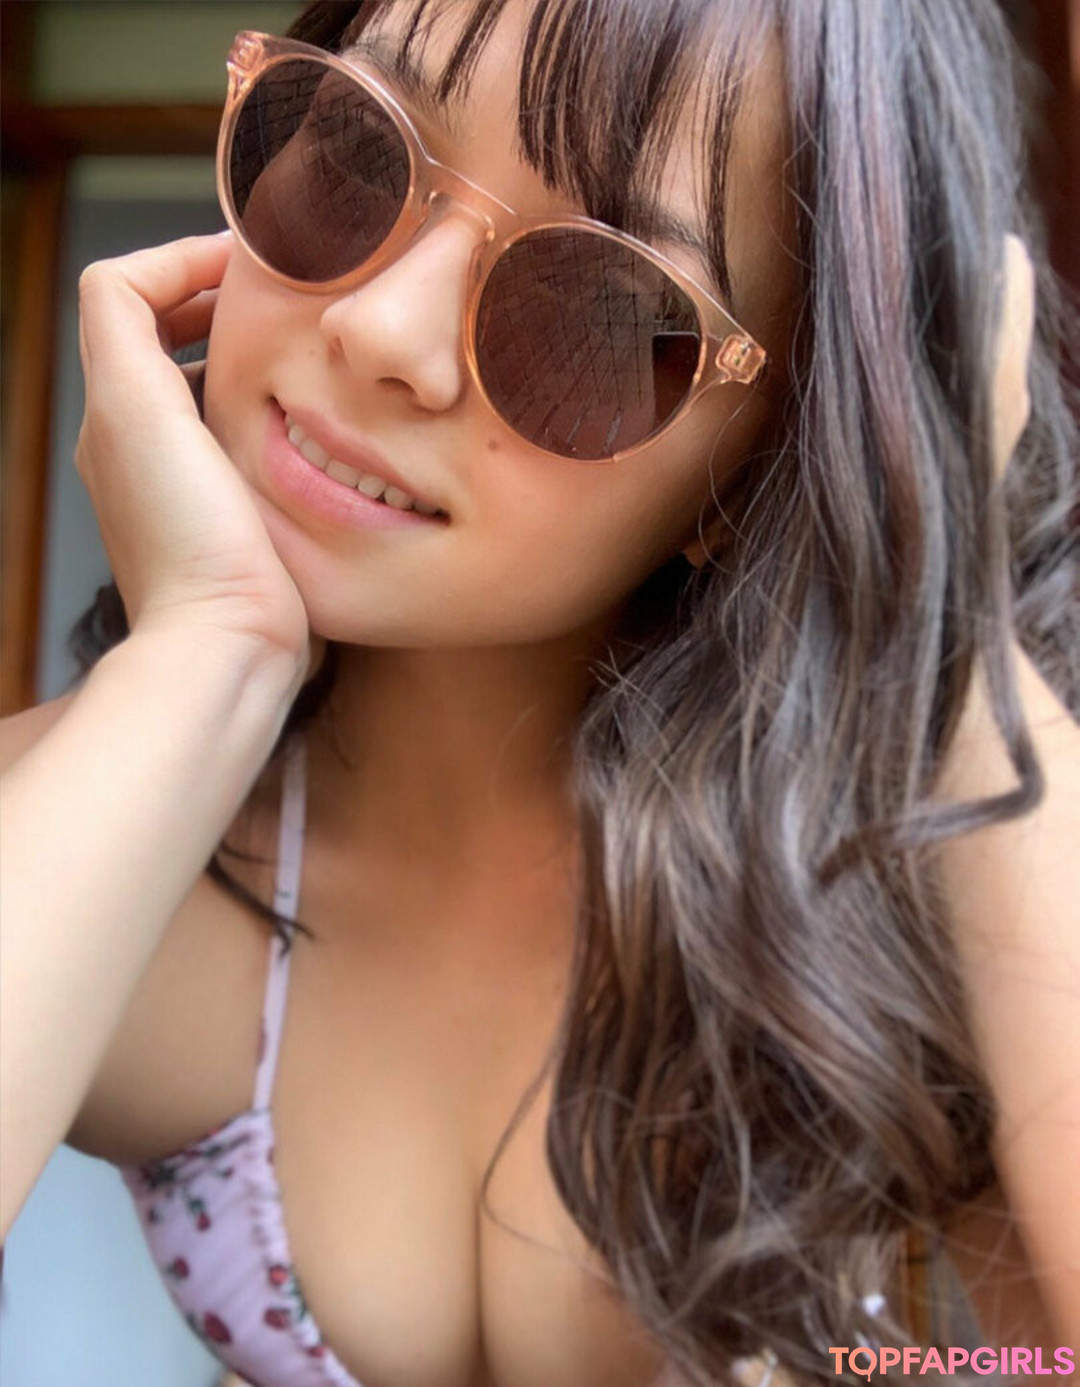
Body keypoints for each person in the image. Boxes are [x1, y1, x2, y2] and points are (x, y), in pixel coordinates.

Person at [2, 0, 1078, 1384]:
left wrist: (948, 602)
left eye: (597, 304)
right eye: (356, 151)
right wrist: (203, 654)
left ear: (764, 459)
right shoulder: (91, 813)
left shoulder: (929, 914)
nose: (384, 329)